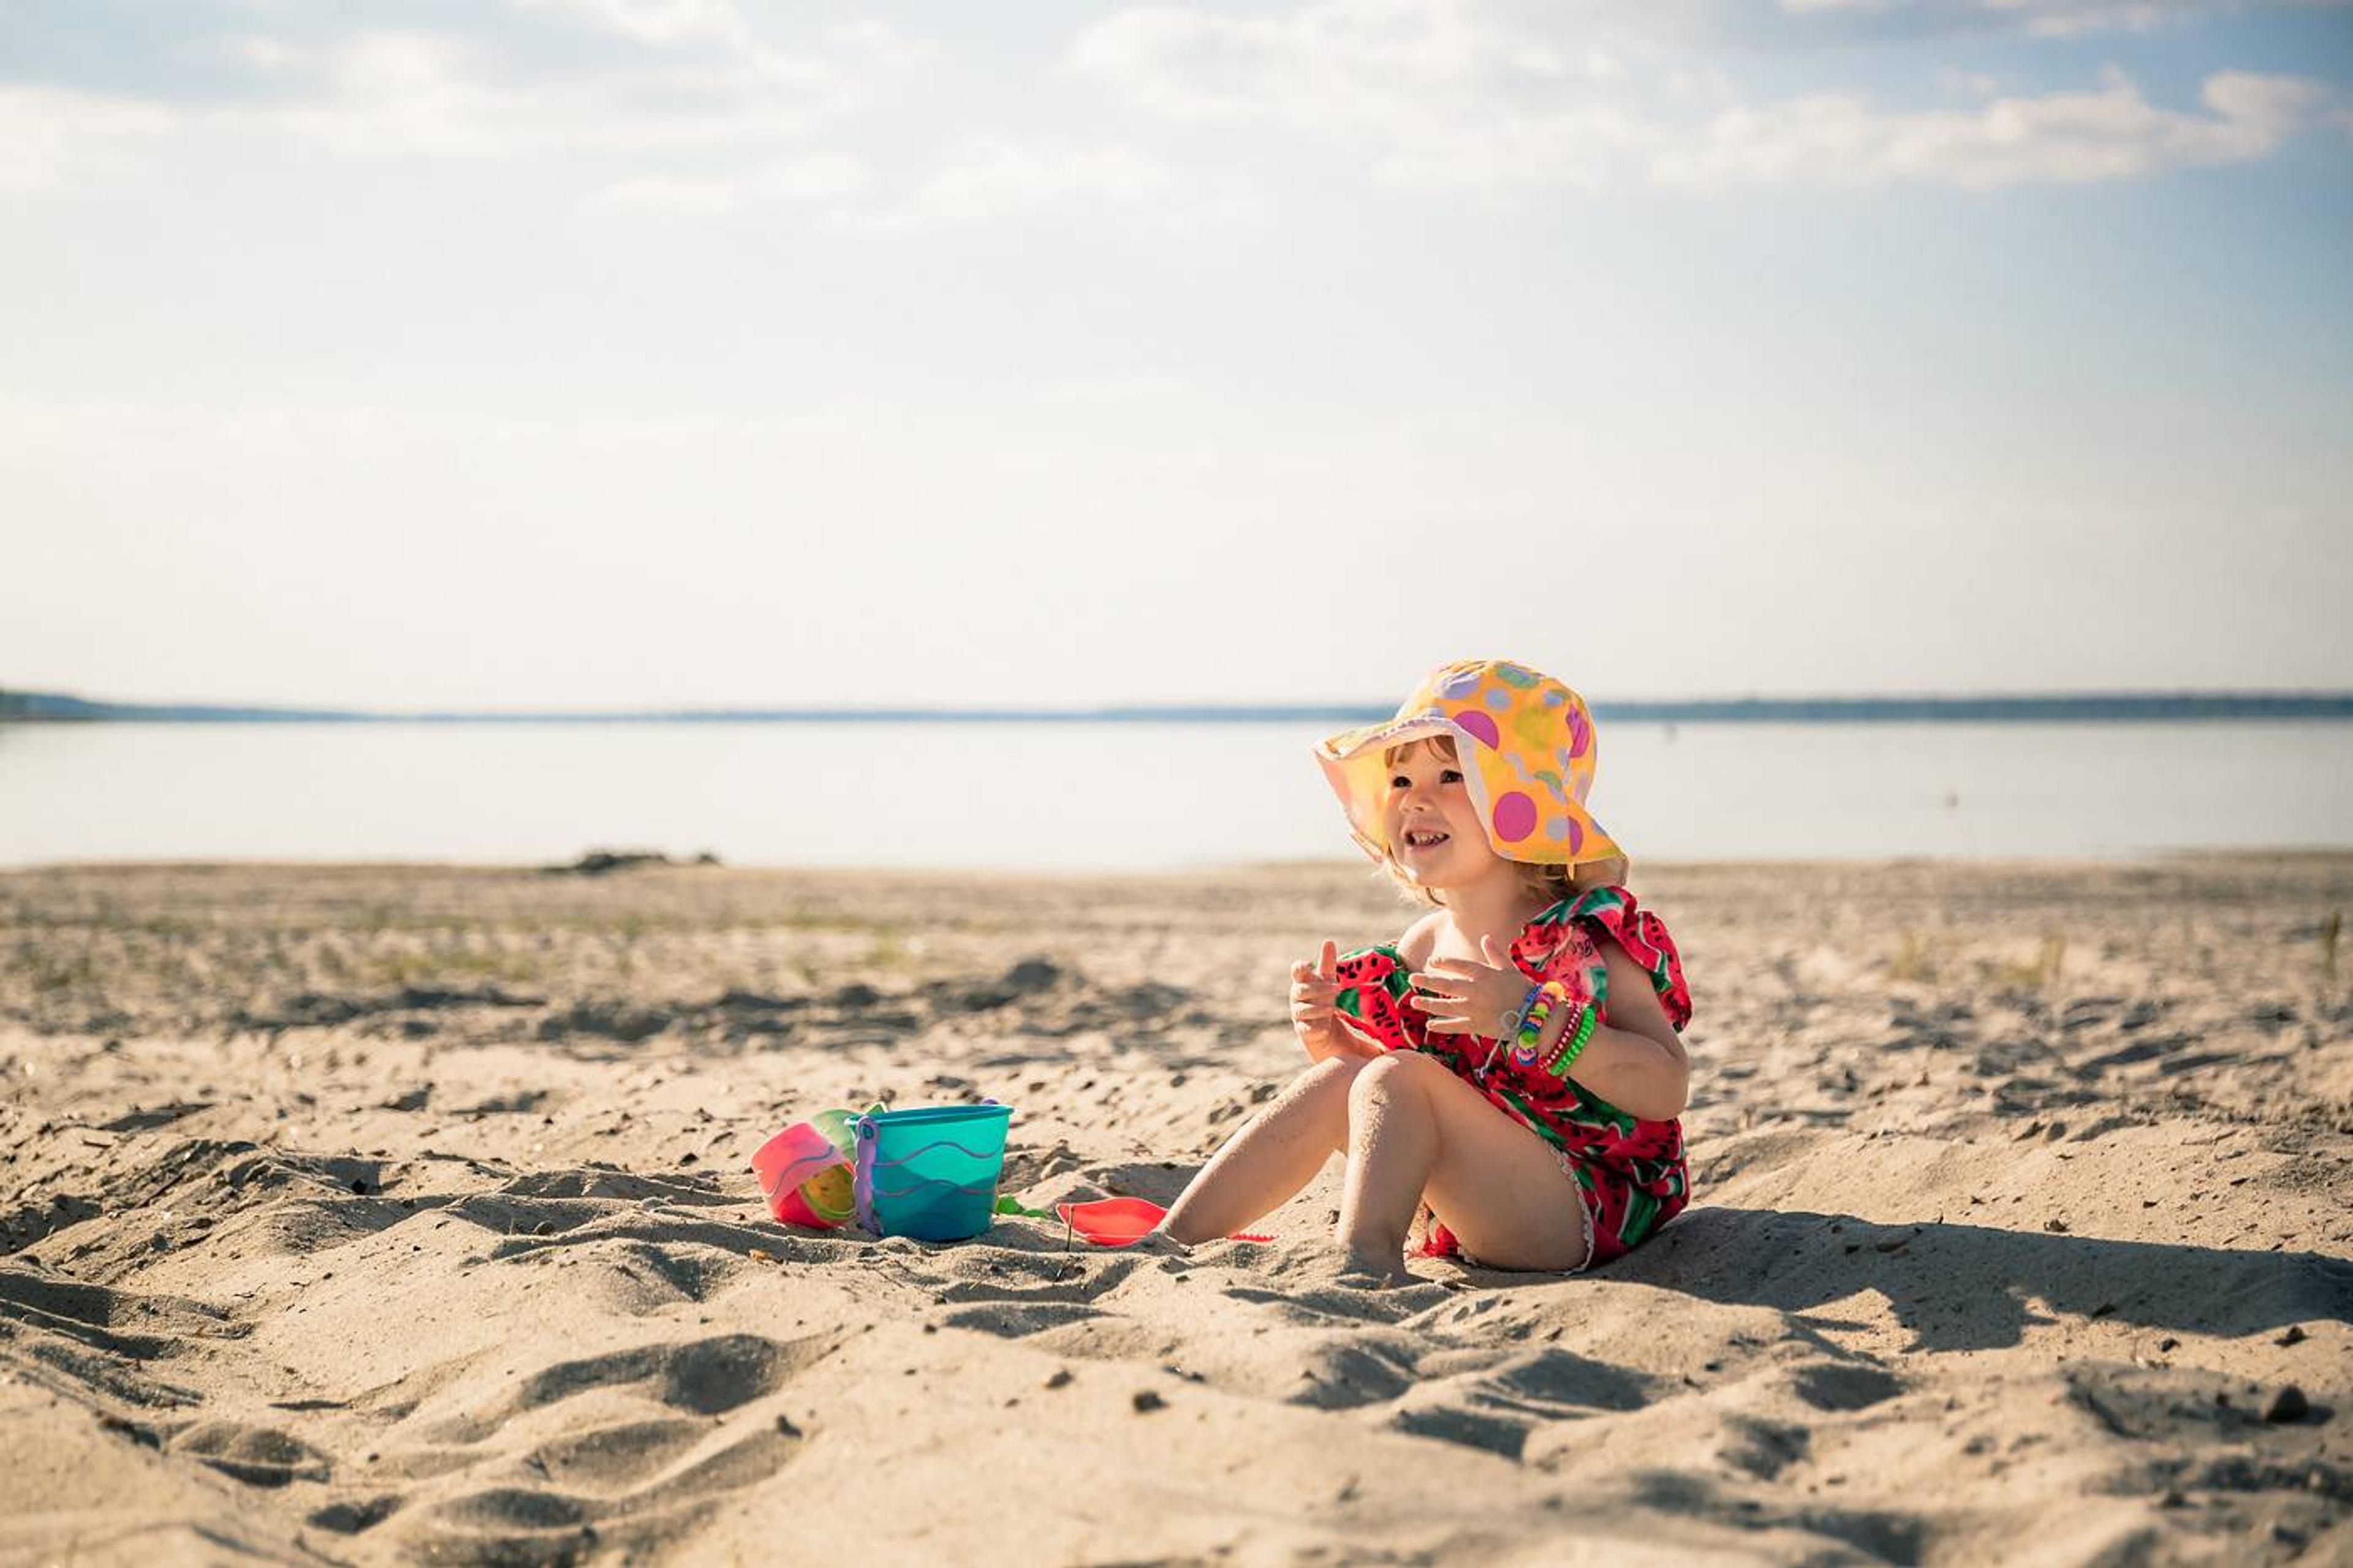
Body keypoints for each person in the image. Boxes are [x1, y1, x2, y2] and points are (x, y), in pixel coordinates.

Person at [1156, 659, 1694, 1283]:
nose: (1416, 799)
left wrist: (1533, 1017)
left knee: (1398, 1076)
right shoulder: (1425, 943)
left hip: (1581, 1208)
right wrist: (1335, 1043)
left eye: (1450, 775)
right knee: (1347, 1077)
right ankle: (1168, 1240)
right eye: (1402, 780)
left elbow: (1667, 1086)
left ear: (1523, 803)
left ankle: (1365, 1263)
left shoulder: (1580, 939)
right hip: (1483, 1200)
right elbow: (1405, 1105)